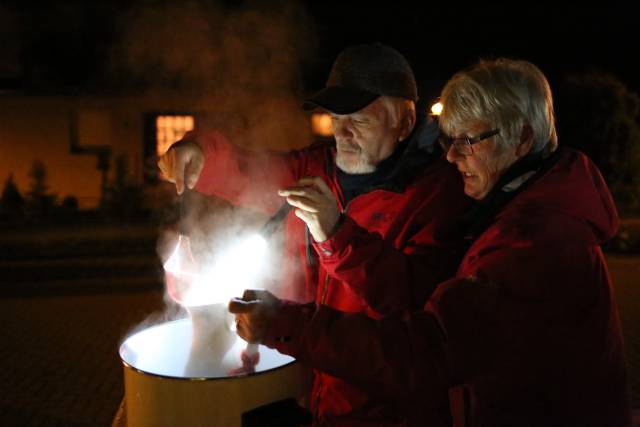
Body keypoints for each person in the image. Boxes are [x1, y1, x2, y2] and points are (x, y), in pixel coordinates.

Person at [230, 58, 633, 426]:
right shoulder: (515, 214)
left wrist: (286, 323)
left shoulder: (535, 243)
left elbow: (422, 354)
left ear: (522, 139)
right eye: (448, 141)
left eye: (468, 141)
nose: (452, 158)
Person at [158, 43, 470, 426]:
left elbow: (411, 301)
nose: (343, 132)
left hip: (388, 411)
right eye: (336, 117)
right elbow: (247, 171)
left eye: (360, 118)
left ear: (403, 123)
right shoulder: (317, 167)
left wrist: (336, 234)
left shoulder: (436, 195)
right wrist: (197, 153)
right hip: (315, 394)